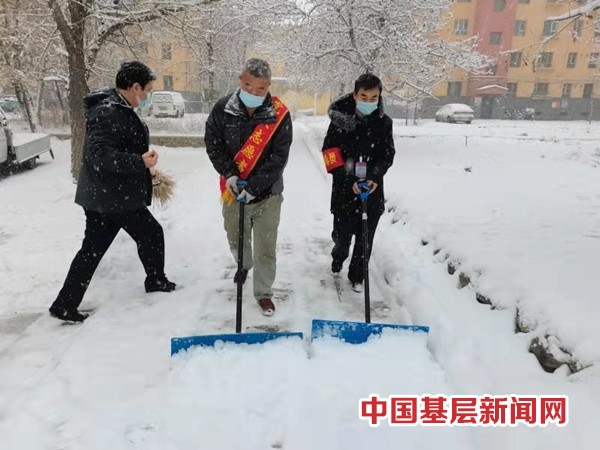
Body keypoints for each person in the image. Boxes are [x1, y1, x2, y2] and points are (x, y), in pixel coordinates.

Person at [49, 61, 176, 323]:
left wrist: (145, 168)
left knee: (93, 250)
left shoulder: (117, 106)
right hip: (113, 198)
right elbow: (98, 155)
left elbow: (118, 147)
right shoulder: (108, 112)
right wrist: (139, 162)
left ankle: (64, 304)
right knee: (149, 234)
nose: (148, 95)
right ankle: (156, 281)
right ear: (135, 87)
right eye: (148, 90)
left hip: (108, 195)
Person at [205, 58, 293, 316]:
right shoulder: (223, 109)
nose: (254, 93)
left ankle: (264, 292)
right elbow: (213, 143)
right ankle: (243, 264)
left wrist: (254, 187)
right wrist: (230, 174)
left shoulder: (279, 114)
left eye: (260, 89)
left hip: (268, 194)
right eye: (248, 86)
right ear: (240, 81)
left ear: (268, 87)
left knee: (266, 246)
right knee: (235, 236)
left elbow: (279, 157)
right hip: (232, 190)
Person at [321, 73, 395, 292]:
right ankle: (338, 256)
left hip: (372, 190)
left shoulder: (384, 123)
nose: (369, 101)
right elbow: (329, 153)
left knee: (365, 238)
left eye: (374, 98)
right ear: (355, 95)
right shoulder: (340, 121)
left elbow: (388, 154)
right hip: (345, 189)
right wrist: (349, 178)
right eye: (364, 96)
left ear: (379, 96)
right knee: (342, 236)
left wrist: (373, 178)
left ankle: (357, 276)